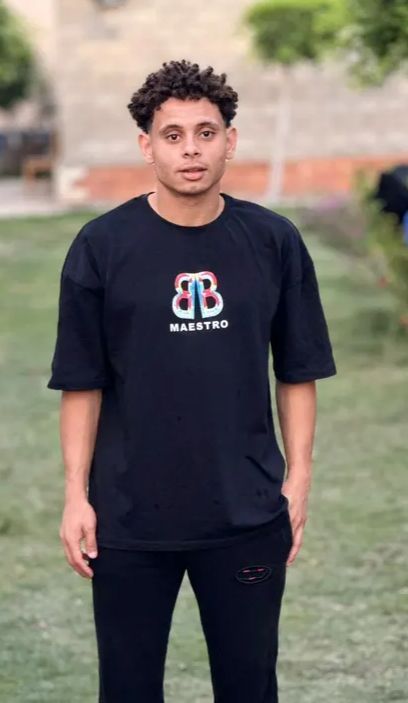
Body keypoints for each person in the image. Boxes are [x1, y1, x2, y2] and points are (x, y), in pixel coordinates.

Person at [47, 59, 337, 703]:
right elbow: (82, 383)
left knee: (249, 687)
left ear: (230, 140)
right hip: (127, 517)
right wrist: (75, 494)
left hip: (245, 512)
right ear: (146, 145)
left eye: (206, 133)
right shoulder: (101, 246)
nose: (191, 150)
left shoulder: (273, 241)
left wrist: (298, 479)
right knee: (127, 690)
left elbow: (297, 371)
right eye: (172, 135)